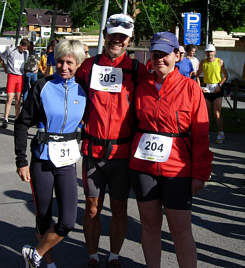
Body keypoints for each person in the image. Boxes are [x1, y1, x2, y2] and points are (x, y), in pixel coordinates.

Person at [129, 32, 213, 268]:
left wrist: (200, 174)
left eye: (165, 55)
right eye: (155, 55)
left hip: (177, 170)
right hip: (143, 167)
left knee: (180, 230)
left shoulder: (190, 88)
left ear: (177, 55)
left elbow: (201, 135)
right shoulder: (141, 86)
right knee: (149, 224)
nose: (159, 60)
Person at [75, 13, 147, 268]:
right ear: (105, 36)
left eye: (123, 37)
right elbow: (70, 95)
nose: (117, 40)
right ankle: (93, 255)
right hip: (93, 151)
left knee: (119, 209)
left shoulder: (138, 70)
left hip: (122, 153)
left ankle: (114, 255)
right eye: (113, 35)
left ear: (129, 40)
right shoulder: (88, 67)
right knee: (92, 208)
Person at [14, 39, 86, 268]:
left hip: (66, 162)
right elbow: (22, 123)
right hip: (42, 160)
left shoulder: (84, 90)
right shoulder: (42, 86)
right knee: (44, 216)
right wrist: (21, 160)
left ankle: (34, 254)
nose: (64, 67)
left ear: (78, 64)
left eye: (69, 63)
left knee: (67, 221)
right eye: (60, 62)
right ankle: (48, 262)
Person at [196, 44, 228, 144]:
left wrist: (220, 85)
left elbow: (226, 76)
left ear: (214, 52)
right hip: (207, 89)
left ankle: (221, 133)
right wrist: (200, 88)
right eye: (207, 52)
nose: (209, 53)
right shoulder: (203, 62)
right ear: (205, 53)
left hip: (217, 89)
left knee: (217, 112)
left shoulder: (220, 62)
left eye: (211, 51)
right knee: (207, 114)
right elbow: (197, 76)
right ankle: (206, 133)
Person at [0, 38, 29, 128]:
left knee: (18, 99)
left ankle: (17, 118)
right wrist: (5, 68)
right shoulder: (11, 50)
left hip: (20, 77)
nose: (24, 50)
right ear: (20, 45)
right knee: (9, 98)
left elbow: (26, 64)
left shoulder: (26, 53)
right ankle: (5, 118)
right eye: (23, 48)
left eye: (26, 48)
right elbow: (1, 57)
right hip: (12, 76)